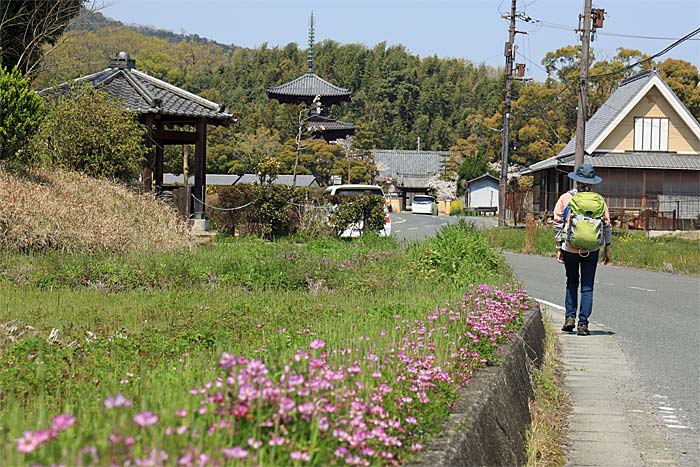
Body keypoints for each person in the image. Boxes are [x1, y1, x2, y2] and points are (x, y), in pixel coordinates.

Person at [553, 164, 612, 336]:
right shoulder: (599, 200)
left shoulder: (565, 198)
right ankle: (583, 324)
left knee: (572, 282)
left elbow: (557, 224)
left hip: (570, 247)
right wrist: (607, 248)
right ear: (592, 182)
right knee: (587, 286)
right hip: (592, 249)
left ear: (576, 180)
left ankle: (569, 317)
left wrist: (559, 247)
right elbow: (607, 225)